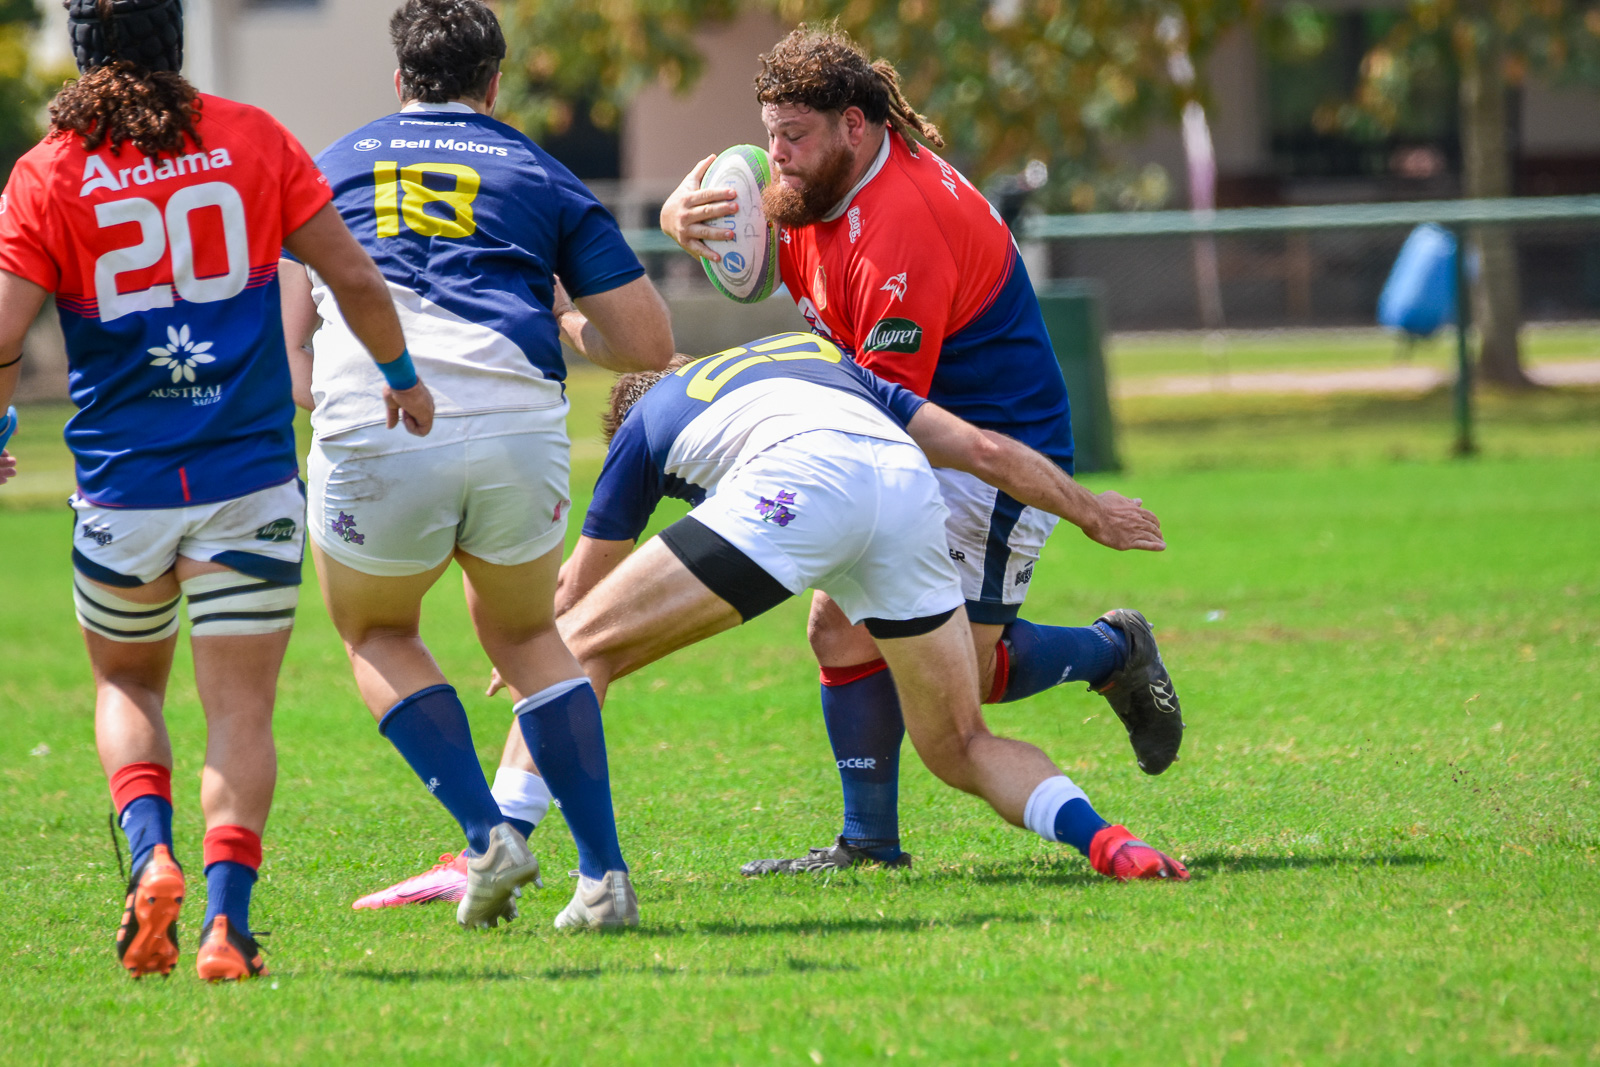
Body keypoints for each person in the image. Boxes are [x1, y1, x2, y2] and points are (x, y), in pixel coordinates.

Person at [652, 24, 1184, 873]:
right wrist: (686, 217)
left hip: (993, 452)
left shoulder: (902, 224)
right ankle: (868, 845)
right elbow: (741, 230)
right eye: (768, 134)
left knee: (955, 679)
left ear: (855, 126)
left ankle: (1115, 650)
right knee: (839, 627)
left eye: (796, 136)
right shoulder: (811, 181)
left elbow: (884, 413)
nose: (776, 156)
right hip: (916, 430)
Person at [0, 0, 429, 980]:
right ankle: (228, 926)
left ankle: (152, 854)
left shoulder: (46, 171)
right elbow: (354, 278)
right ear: (175, 42)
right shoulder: (252, 138)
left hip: (121, 492)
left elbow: (2, 331)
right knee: (240, 712)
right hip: (247, 483)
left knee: (126, 680)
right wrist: (403, 379)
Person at [502, 331, 1186, 884]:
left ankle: (495, 841)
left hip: (800, 480)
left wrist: (527, 643)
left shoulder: (642, 422)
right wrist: (1092, 512)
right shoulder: (817, 354)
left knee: (576, 647)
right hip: (908, 489)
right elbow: (981, 448)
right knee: (959, 741)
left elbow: (577, 591)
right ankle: (1110, 844)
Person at [285, 0, 673, 930]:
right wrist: (566, 319)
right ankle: (606, 878)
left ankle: (485, 835)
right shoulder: (542, 172)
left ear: (397, 81)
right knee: (529, 637)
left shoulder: (329, 162)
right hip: (517, 430)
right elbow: (647, 345)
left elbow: (292, 349)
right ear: (495, 83)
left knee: (377, 632)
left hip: (380, 425)